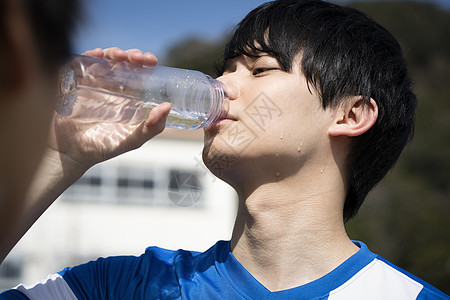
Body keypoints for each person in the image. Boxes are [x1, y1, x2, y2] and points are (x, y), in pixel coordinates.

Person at [1, 0, 448, 299]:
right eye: (226, 69)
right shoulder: (130, 286)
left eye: (259, 70)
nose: (221, 86)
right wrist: (61, 158)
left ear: (350, 116)